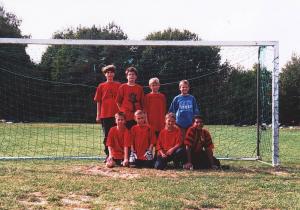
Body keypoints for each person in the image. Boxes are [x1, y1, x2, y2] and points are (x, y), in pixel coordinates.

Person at [94, 64, 121, 161]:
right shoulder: (101, 86)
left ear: (114, 74)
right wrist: (98, 115)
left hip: (117, 115)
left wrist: (121, 112)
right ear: (105, 74)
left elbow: (121, 100)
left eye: (111, 72)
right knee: (107, 136)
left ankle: (118, 155)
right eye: (107, 72)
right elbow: (98, 101)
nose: (109, 74)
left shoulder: (118, 85)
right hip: (105, 115)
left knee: (117, 135)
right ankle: (108, 155)